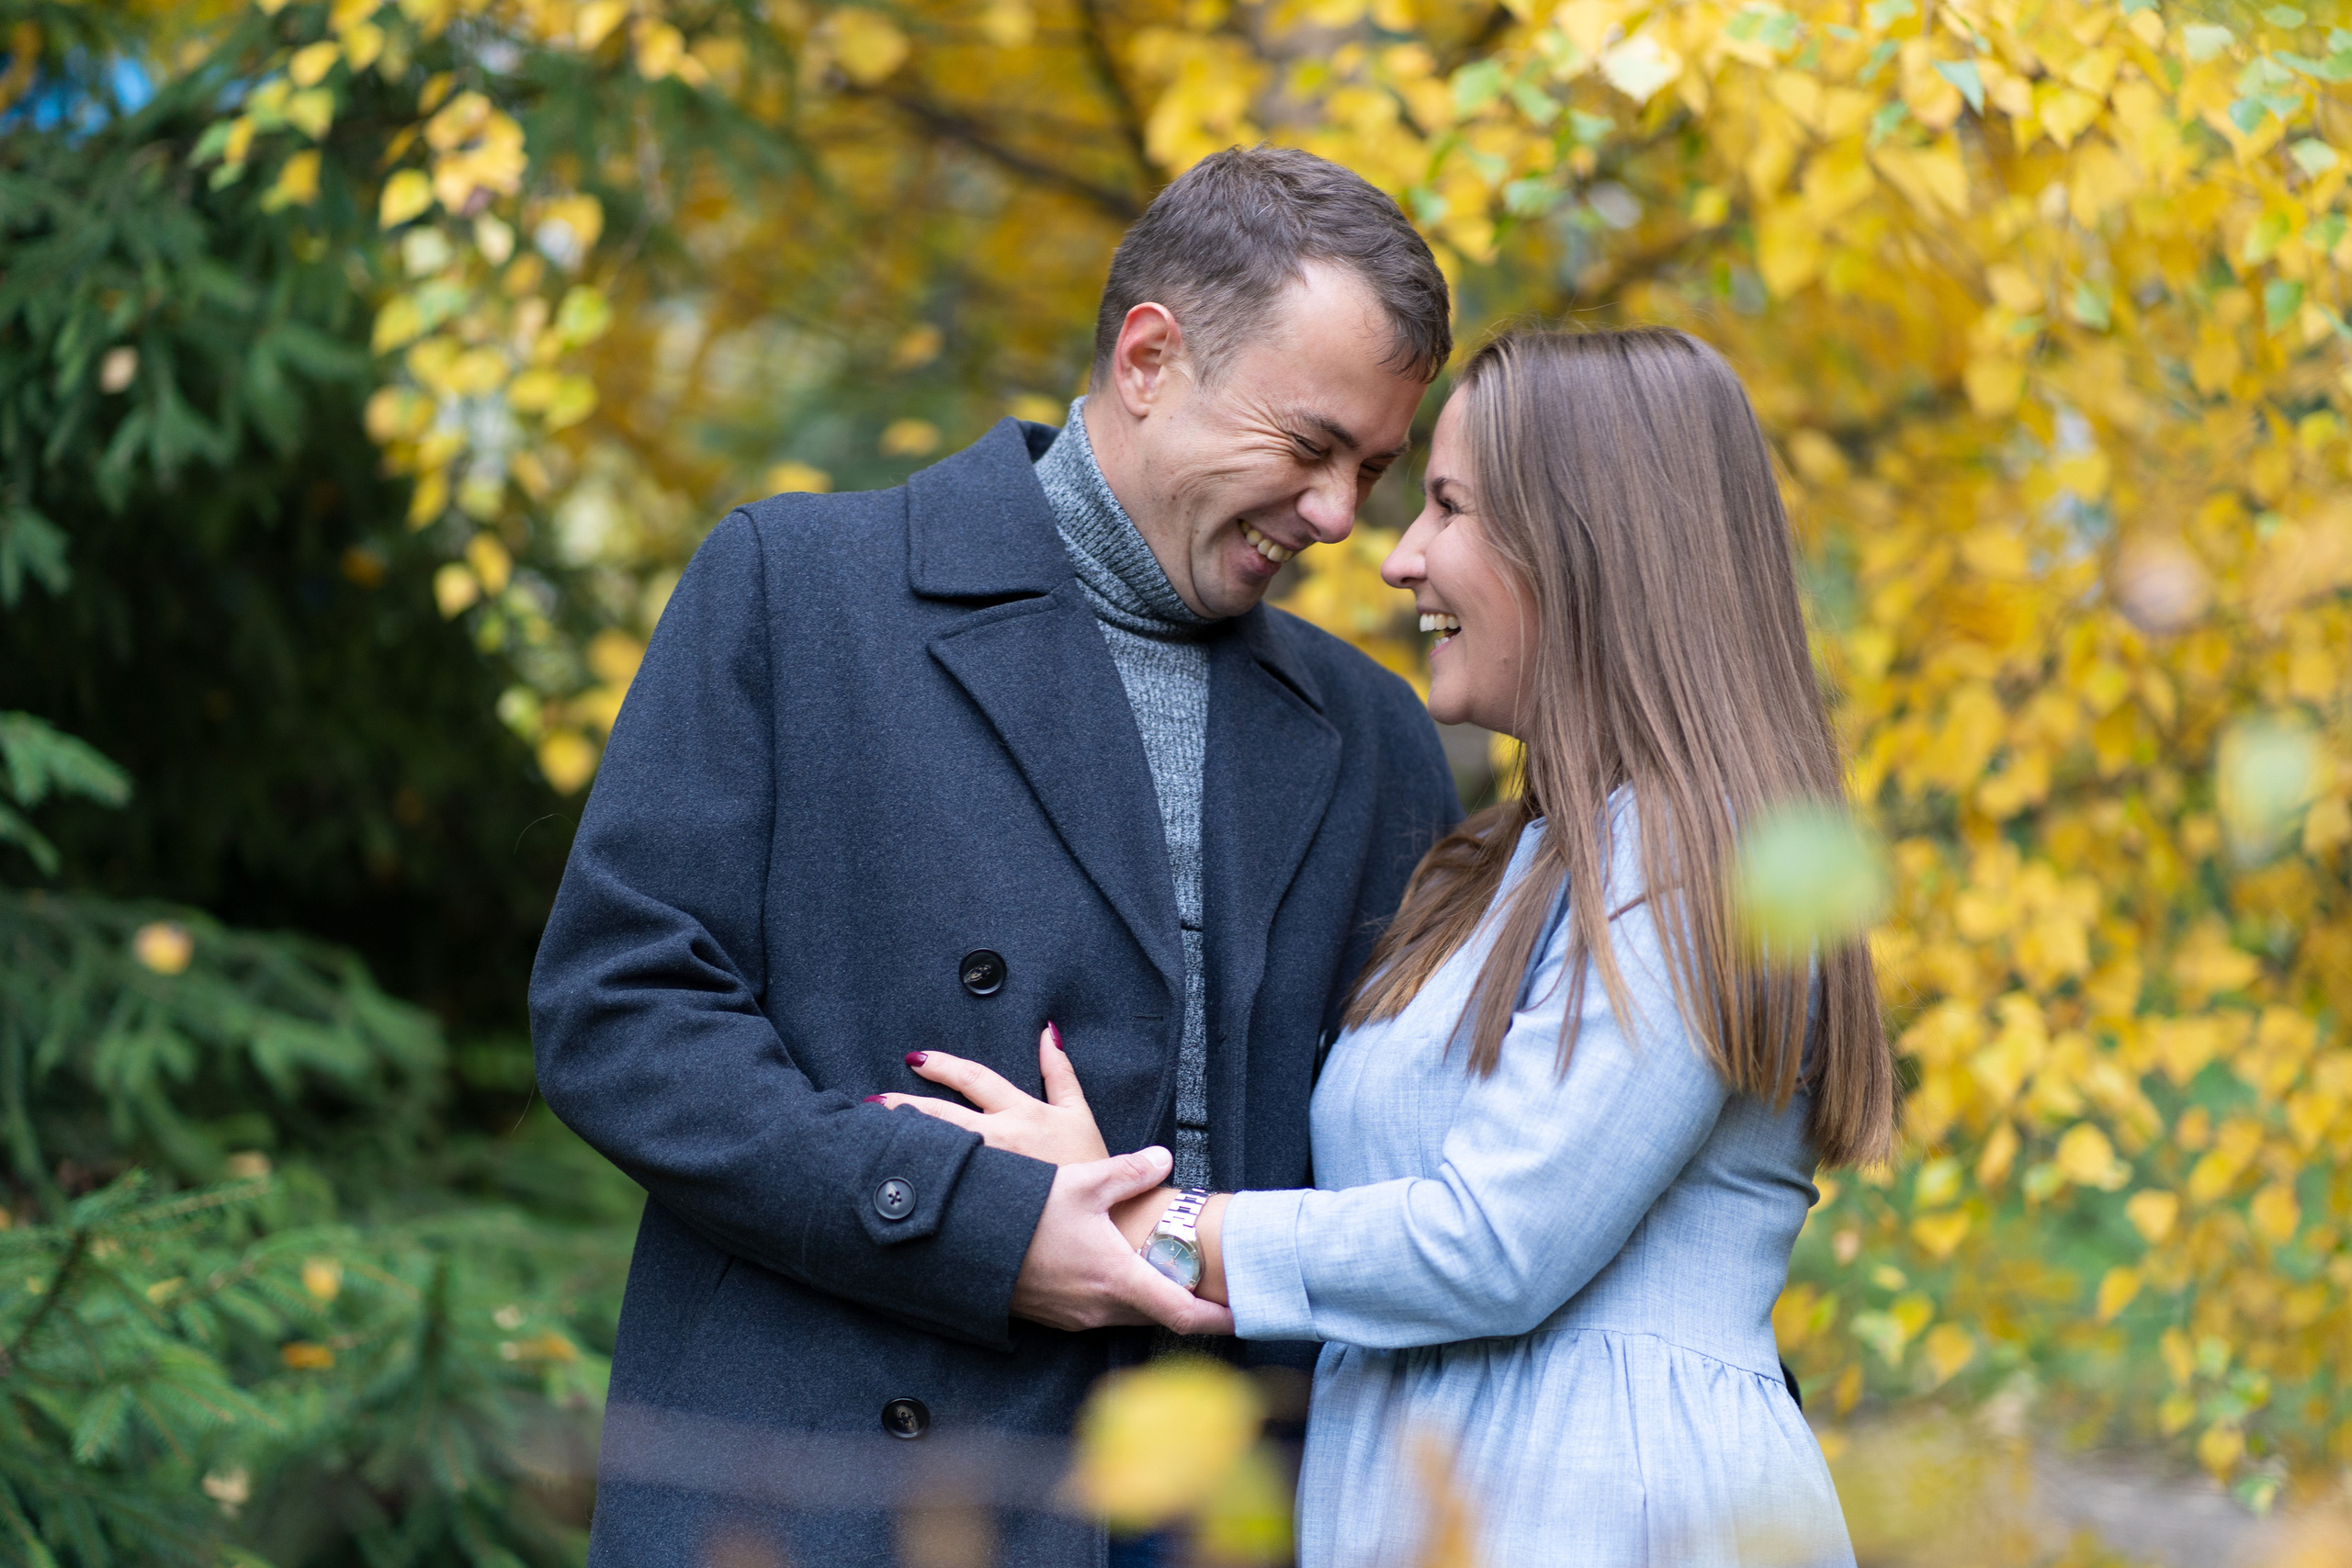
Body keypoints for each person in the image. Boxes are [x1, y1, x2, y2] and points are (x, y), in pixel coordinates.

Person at [526, 145, 1463, 1567]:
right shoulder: (800, 588)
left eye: (1378, 471)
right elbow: (621, 1016)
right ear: (1150, 357)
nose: (1340, 517)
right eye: (1310, 447)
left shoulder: (1371, 732)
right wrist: (964, 1220)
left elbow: (1419, 1163)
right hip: (842, 1500)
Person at [879, 326, 1899, 1568]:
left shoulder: (1708, 851)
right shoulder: (1507, 865)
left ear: (1590, 546)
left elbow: (1496, 1245)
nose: (1400, 557)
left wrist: (1151, 1220)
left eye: (1452, 509)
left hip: (1609, 1512)